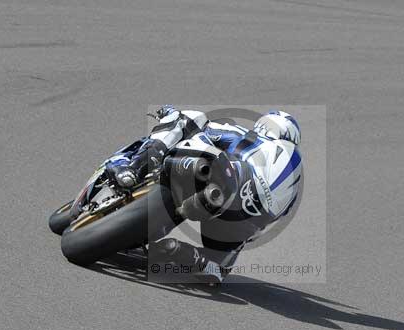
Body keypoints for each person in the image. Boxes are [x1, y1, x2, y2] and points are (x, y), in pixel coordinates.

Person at [104, 105, 302, 285]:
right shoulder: (291, 189)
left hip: (212, 176)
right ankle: (186, 254)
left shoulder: (245, 135)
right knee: (217, 269)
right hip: (242, 222)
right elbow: (266, 224)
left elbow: (203, 127)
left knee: (186, 120)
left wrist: (170, 113)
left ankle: (131, 167)